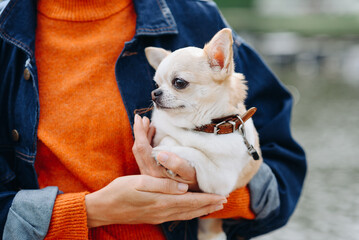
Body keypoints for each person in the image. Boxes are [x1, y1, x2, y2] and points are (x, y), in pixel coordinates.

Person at [0, 0, 306, 239]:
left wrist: (210, 186)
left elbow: (283, 174)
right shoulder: (5, 36)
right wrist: (91, 212)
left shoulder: (196, 17)